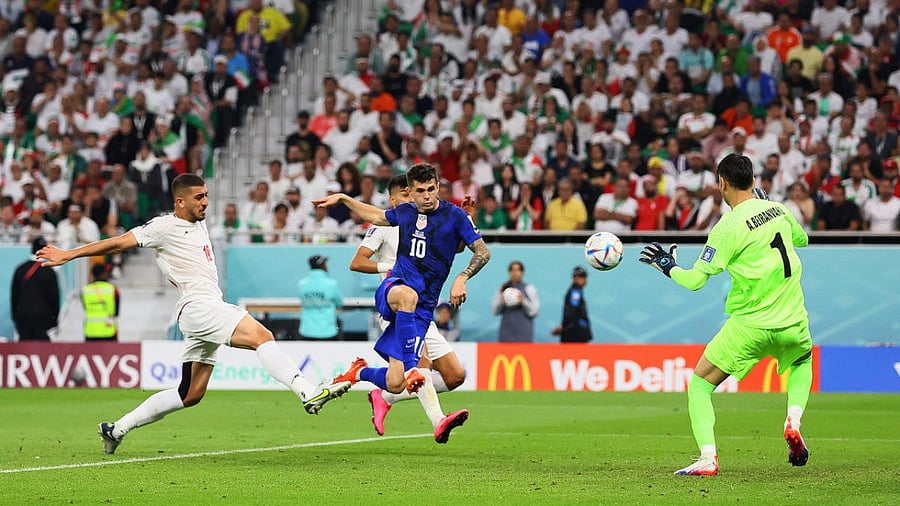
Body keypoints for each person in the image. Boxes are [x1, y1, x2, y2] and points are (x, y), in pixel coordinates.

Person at [36, 174, 351, 455]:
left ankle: (116, 428)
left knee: (190, 393)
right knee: (262, 336)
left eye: (207, 196)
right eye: (199, 197)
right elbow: (119, 243)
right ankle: (307, 391)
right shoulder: (163, 226)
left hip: (202, 309)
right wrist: (69, 254)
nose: (205, 202)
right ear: (180, 201)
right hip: (199, 306)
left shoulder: (199, 224)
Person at [639, 153, 812, 476]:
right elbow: (802, 239)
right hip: (793, 320)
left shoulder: (727, 227)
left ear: (722, 183)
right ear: (754, 181)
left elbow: (694, 282)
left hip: (750, 325)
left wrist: (667, 266)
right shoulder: (779, 209)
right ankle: (793, 418)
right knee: (802, 362)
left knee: (700, 385)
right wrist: (772, 209)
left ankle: (707, 457)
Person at [313, 163, 491, 444]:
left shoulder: (455, 216)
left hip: (422, 311)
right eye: (420, 191)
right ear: (411, 192)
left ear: (438, 186)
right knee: (409, 305)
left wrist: (462, 277)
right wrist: (345, 199)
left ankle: (360, 372)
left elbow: (482, 252)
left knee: (395, 383)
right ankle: (425, 394)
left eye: (431, 189)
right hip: (394, 291)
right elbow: (375, 215)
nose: (427, 196)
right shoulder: (405, 213)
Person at [346, 174, 469, 436]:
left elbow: (455, 249)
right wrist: (390, 268)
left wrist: (465, 222)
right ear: (394, 199)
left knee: (454, 376)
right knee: (419, 364)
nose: (414, 199)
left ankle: (384, 397)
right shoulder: (386, 225)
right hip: (397, 306)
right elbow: (357, 262)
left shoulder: (426, 223)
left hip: (422, 307)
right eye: (406, 194)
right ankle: (438, 420)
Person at [10, 237, 60, 341]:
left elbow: (14, 296)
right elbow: (54, 298)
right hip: (43, 318)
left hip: (23, 317)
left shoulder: (20, 269)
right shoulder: (49, 271)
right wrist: (54, 320)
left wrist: (16, 317)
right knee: (42, 353)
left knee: (24, 351)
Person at [492, 261, 540, 342]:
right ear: (509, 272)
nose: (515, 273)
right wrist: (502, 302)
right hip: (506, 333)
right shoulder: (503, 288)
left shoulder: (529, 288)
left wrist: (523, 301)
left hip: (524, 333)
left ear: (522, 272)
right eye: (513, 270)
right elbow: (495, 311)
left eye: (518, 270)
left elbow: (534, 312)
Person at [297, 255, 342, 340]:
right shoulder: (332, 284)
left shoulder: (302, 284)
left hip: (307, 330)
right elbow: (339, 303)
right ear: (322, 266)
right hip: (327, 331)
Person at [551, 266, 592, 343]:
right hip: (575, 333)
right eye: (581, 276)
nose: (584, 279)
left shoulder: (577, 291)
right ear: (574, 278)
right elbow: (571, 312)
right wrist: (564, 326)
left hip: (574, 331)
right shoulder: (575, 292)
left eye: (585, 276)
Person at [81, 263, 120, 341]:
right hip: (109, 331)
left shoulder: (85, 290)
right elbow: (116, 312)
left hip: (90, 331)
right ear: (104, 273)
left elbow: (85, 308)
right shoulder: (113, 289)